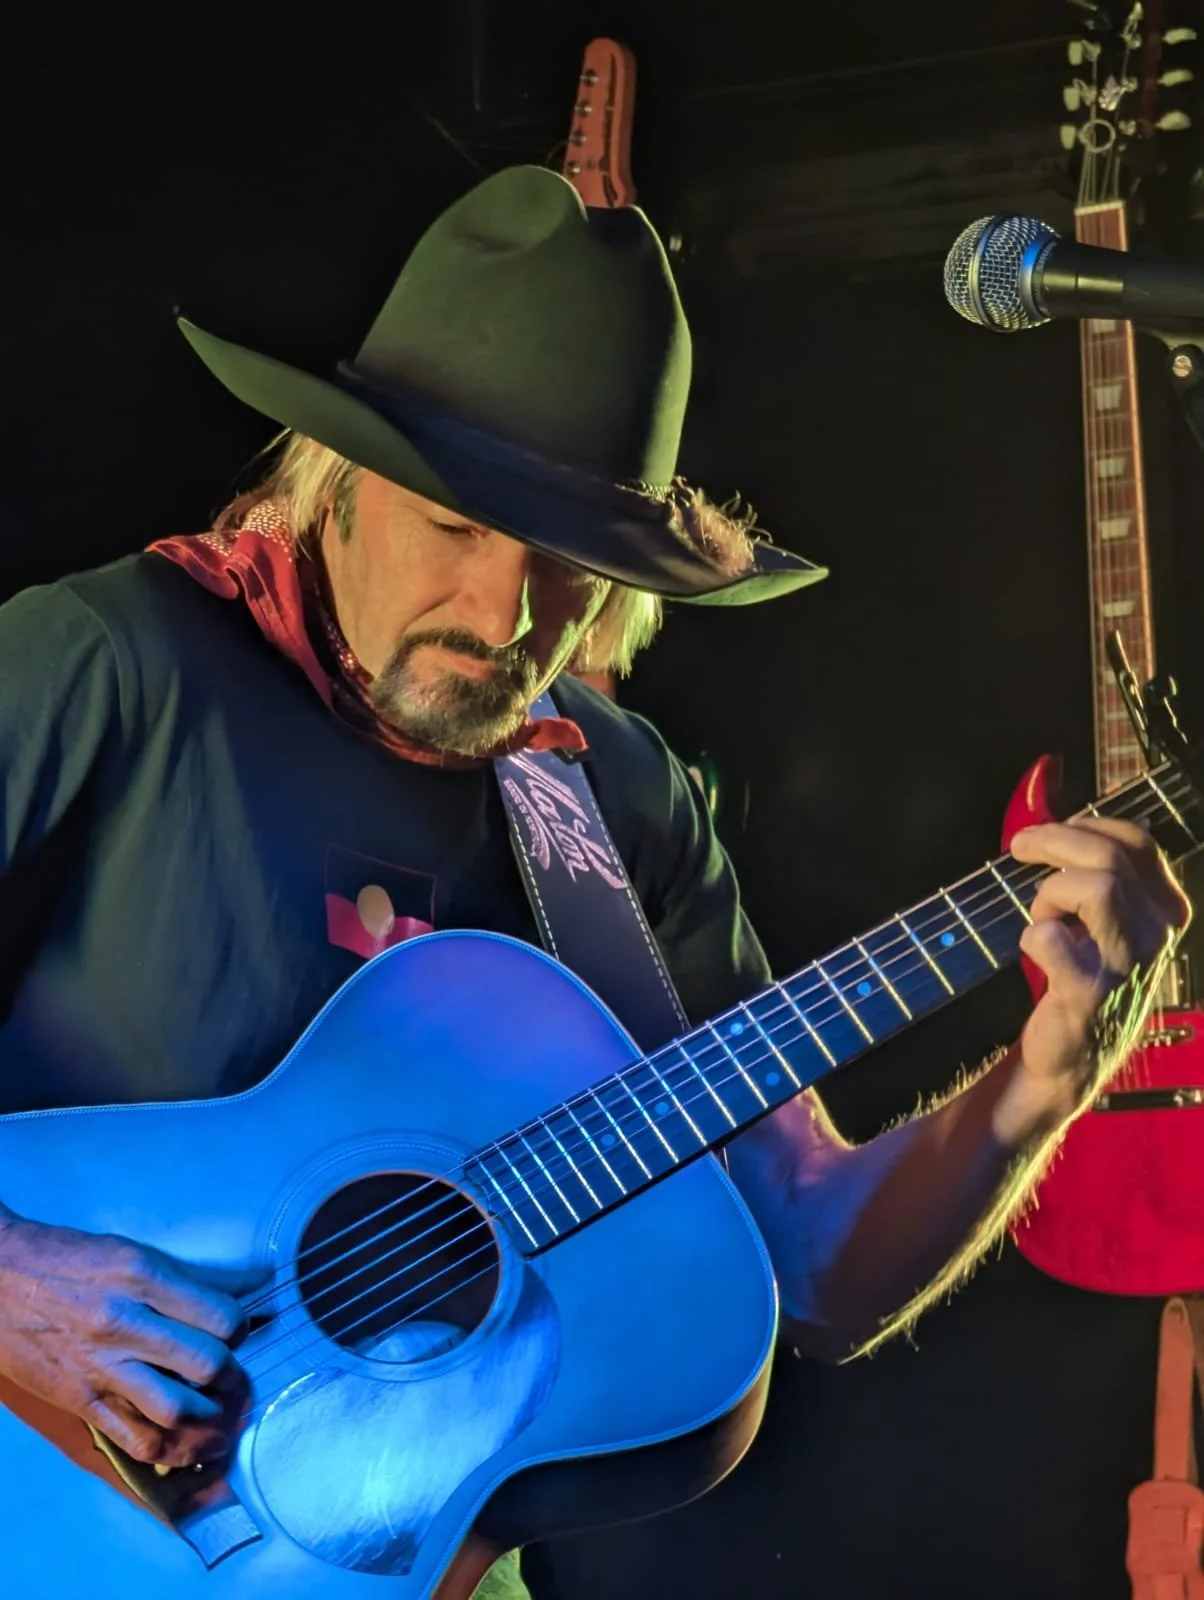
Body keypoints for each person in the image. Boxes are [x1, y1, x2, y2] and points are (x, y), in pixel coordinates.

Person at [0, 165, 1189, 1599]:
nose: (502, 617)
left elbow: (811, 1258)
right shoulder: (109, 665)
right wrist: (18, 1287)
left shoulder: (608, 795)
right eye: (454, 530)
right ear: (340, 477)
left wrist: (1056, 1058)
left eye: (563, 568)